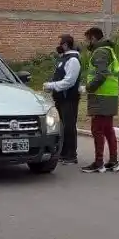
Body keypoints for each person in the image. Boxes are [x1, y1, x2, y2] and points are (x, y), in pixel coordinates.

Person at [82, 27, 119, 173]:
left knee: (97, 129)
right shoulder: (109, 50)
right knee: (108, 130)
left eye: (87, 40)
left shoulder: (100, 52)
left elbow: (102, 74)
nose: (87, 43)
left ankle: (99, 162)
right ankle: (113, 161)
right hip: (110, 95)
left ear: (93, 38)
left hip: (101, 96)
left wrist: (88, 88)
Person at [43, 34, 81, 165]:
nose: (58, 46)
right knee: (62, 126)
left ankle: (71, 155)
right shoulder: (63, 59)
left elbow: (69, 81)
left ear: (65, 45)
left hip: (68, 98)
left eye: (60, 43)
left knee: (69, 126)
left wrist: (52, 85)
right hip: (60, 98)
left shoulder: (73, 60)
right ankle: (63, 153)